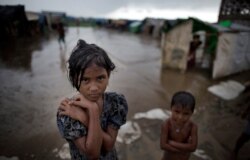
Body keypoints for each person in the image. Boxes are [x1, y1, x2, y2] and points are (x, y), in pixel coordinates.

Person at [57, 39, 128, 159]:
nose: (94, 88)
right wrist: (93, 113)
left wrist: (90, 114)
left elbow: (109, 145)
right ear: (74, 79)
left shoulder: (116, 102)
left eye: (100, 78)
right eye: (85, 80)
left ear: (108, 75)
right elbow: (92, 155)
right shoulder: (68, 111)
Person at [160, 91, 198, 160]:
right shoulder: (167, 124)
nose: (180, 117)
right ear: (171, 109)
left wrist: (171, 142)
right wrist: (184, 149)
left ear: (191, 113)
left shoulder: (192, 127)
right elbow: (163, 145)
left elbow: (193, 147)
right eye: (177, 112)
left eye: (186, 114)